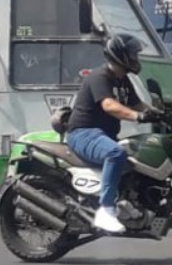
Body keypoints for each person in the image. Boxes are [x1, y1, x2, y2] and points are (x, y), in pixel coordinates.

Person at [61, 33, 162, 233]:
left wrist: (160, 114)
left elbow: (138, 104)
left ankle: (125, 202)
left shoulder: (123, 81)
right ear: (121, 54)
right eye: (133, 54)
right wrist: (138, 117)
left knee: (135, 157)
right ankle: (105, 211)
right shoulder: (99, 77)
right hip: (83, 133)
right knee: (116, 153)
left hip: (103, 136)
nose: (136, 58)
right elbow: (109, 105)